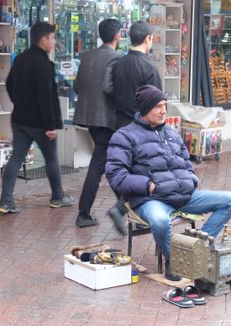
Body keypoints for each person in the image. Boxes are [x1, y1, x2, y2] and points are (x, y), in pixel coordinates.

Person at [106, 85, 231, 281]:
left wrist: (191, 178)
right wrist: (146, 185)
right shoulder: (124, 136)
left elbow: (186, 161)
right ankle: (175, 260)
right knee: (160, 221)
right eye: (158, 106)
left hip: (184, 195)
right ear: (144, 108)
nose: (163, 111)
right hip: (152, 199)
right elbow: (115, 174)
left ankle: (193, 250)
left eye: (164, 106)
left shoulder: (171, 132)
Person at [0, 21, 74, 214]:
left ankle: (5, 201)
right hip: (40, 124)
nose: (54, 42)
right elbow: (45, 97)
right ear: (43, 40)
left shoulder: (21, 58)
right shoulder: (44, 64)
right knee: (51, 159)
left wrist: (19, 102)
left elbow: (9, 83)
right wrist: (49, 125)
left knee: (16, 158)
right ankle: (57, 197)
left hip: (20, 119)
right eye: (52, 38)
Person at [103, 21, 163, 234]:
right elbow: (157, 105)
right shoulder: (148, 68)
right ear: (148, 38)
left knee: (128, 173)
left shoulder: (118, 62)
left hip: (120, 124)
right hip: (141, 129)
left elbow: (108, 90)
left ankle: (125, 209)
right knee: (149, 175)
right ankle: (123, 209)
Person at [73, 19, 124, 228]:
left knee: (109, 163)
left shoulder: (87, 57)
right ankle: (84, 212)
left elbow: (77, 87)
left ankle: (125, 206)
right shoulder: (117, 58)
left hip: (90, 118)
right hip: (107, 119)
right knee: (99, 166)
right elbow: (112, 89)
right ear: (117, 35)